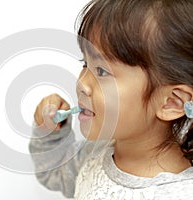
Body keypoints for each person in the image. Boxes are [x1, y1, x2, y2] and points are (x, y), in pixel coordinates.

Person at [29, 0, 193, 199]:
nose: (82, 83)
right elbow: (55, 171)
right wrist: (50, 133)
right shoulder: (94, 154)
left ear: (171, 103)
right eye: (84, 64)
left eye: (101, 71)